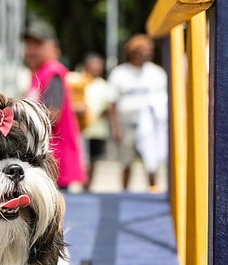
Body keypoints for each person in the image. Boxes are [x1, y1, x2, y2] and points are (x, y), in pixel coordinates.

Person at [22, 19, 86, 191]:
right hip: (45, 159)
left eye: (38, 44)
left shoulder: (53, 71)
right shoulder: (39, 73)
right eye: (28, 44)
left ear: (54, 47)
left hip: (54, 160)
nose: (31, 49)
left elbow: (51, 115)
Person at [106, 34, 168, 191]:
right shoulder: (119, 73)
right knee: (126, 161)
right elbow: (112, 103)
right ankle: (125, 192)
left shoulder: (157, 73)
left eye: (149, 50)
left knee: (151, 161)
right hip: (127, 123)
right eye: (142, 50)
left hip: (151, 124)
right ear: (132, 52)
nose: (146, 54)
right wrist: (115, 127)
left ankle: (153, 189)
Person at [67, 53, 111, 191]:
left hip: (96, 129)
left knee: (93, 160)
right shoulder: (73, 79)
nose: (97, 68)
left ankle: (87, 187)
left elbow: (108, 107)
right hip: (77, 128)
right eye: (94, 64)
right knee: (79, 158)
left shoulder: (103, 85)